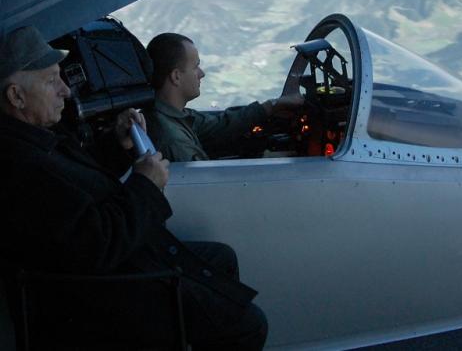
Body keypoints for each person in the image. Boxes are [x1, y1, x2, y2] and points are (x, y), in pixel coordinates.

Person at [0, 25, 268, 350]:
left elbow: (83, 186)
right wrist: (146, 186)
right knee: (249, 325)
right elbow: (96, 246)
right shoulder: (20, 166)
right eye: (51, 81)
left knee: (221, 258)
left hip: (117, 269)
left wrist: (118, 145)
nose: (66, 91)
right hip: (101, 297)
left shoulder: (36, 139)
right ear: (16, 96)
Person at [144, 32, 302, 161]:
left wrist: (272, 105)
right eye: (195, 66)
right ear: (176, 76)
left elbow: (221, 124)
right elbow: (207, 181)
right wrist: (263, 163)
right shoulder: (173, 140)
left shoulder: (171, 116)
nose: (201, 74)